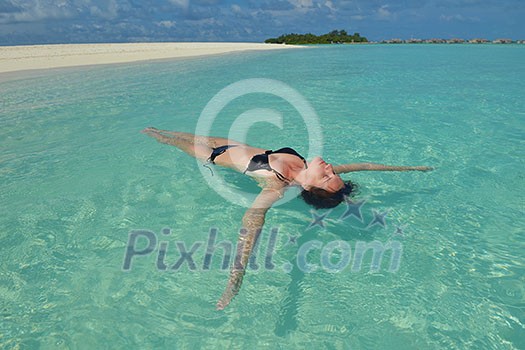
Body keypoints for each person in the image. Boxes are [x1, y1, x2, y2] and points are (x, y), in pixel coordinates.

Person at [142, 127, 433, 310]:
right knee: (184, 131)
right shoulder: (309, 169)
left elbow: (252, 220)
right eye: (335, 173)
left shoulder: (277, 186)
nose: (331, 168)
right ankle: (154, 129)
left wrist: (235, 280)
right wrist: (410, 169)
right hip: (230, 143)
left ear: (309, 187)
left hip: (213, 156)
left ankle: (151, 134)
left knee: (167, 140)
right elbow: (365, 165)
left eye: (328, 176)